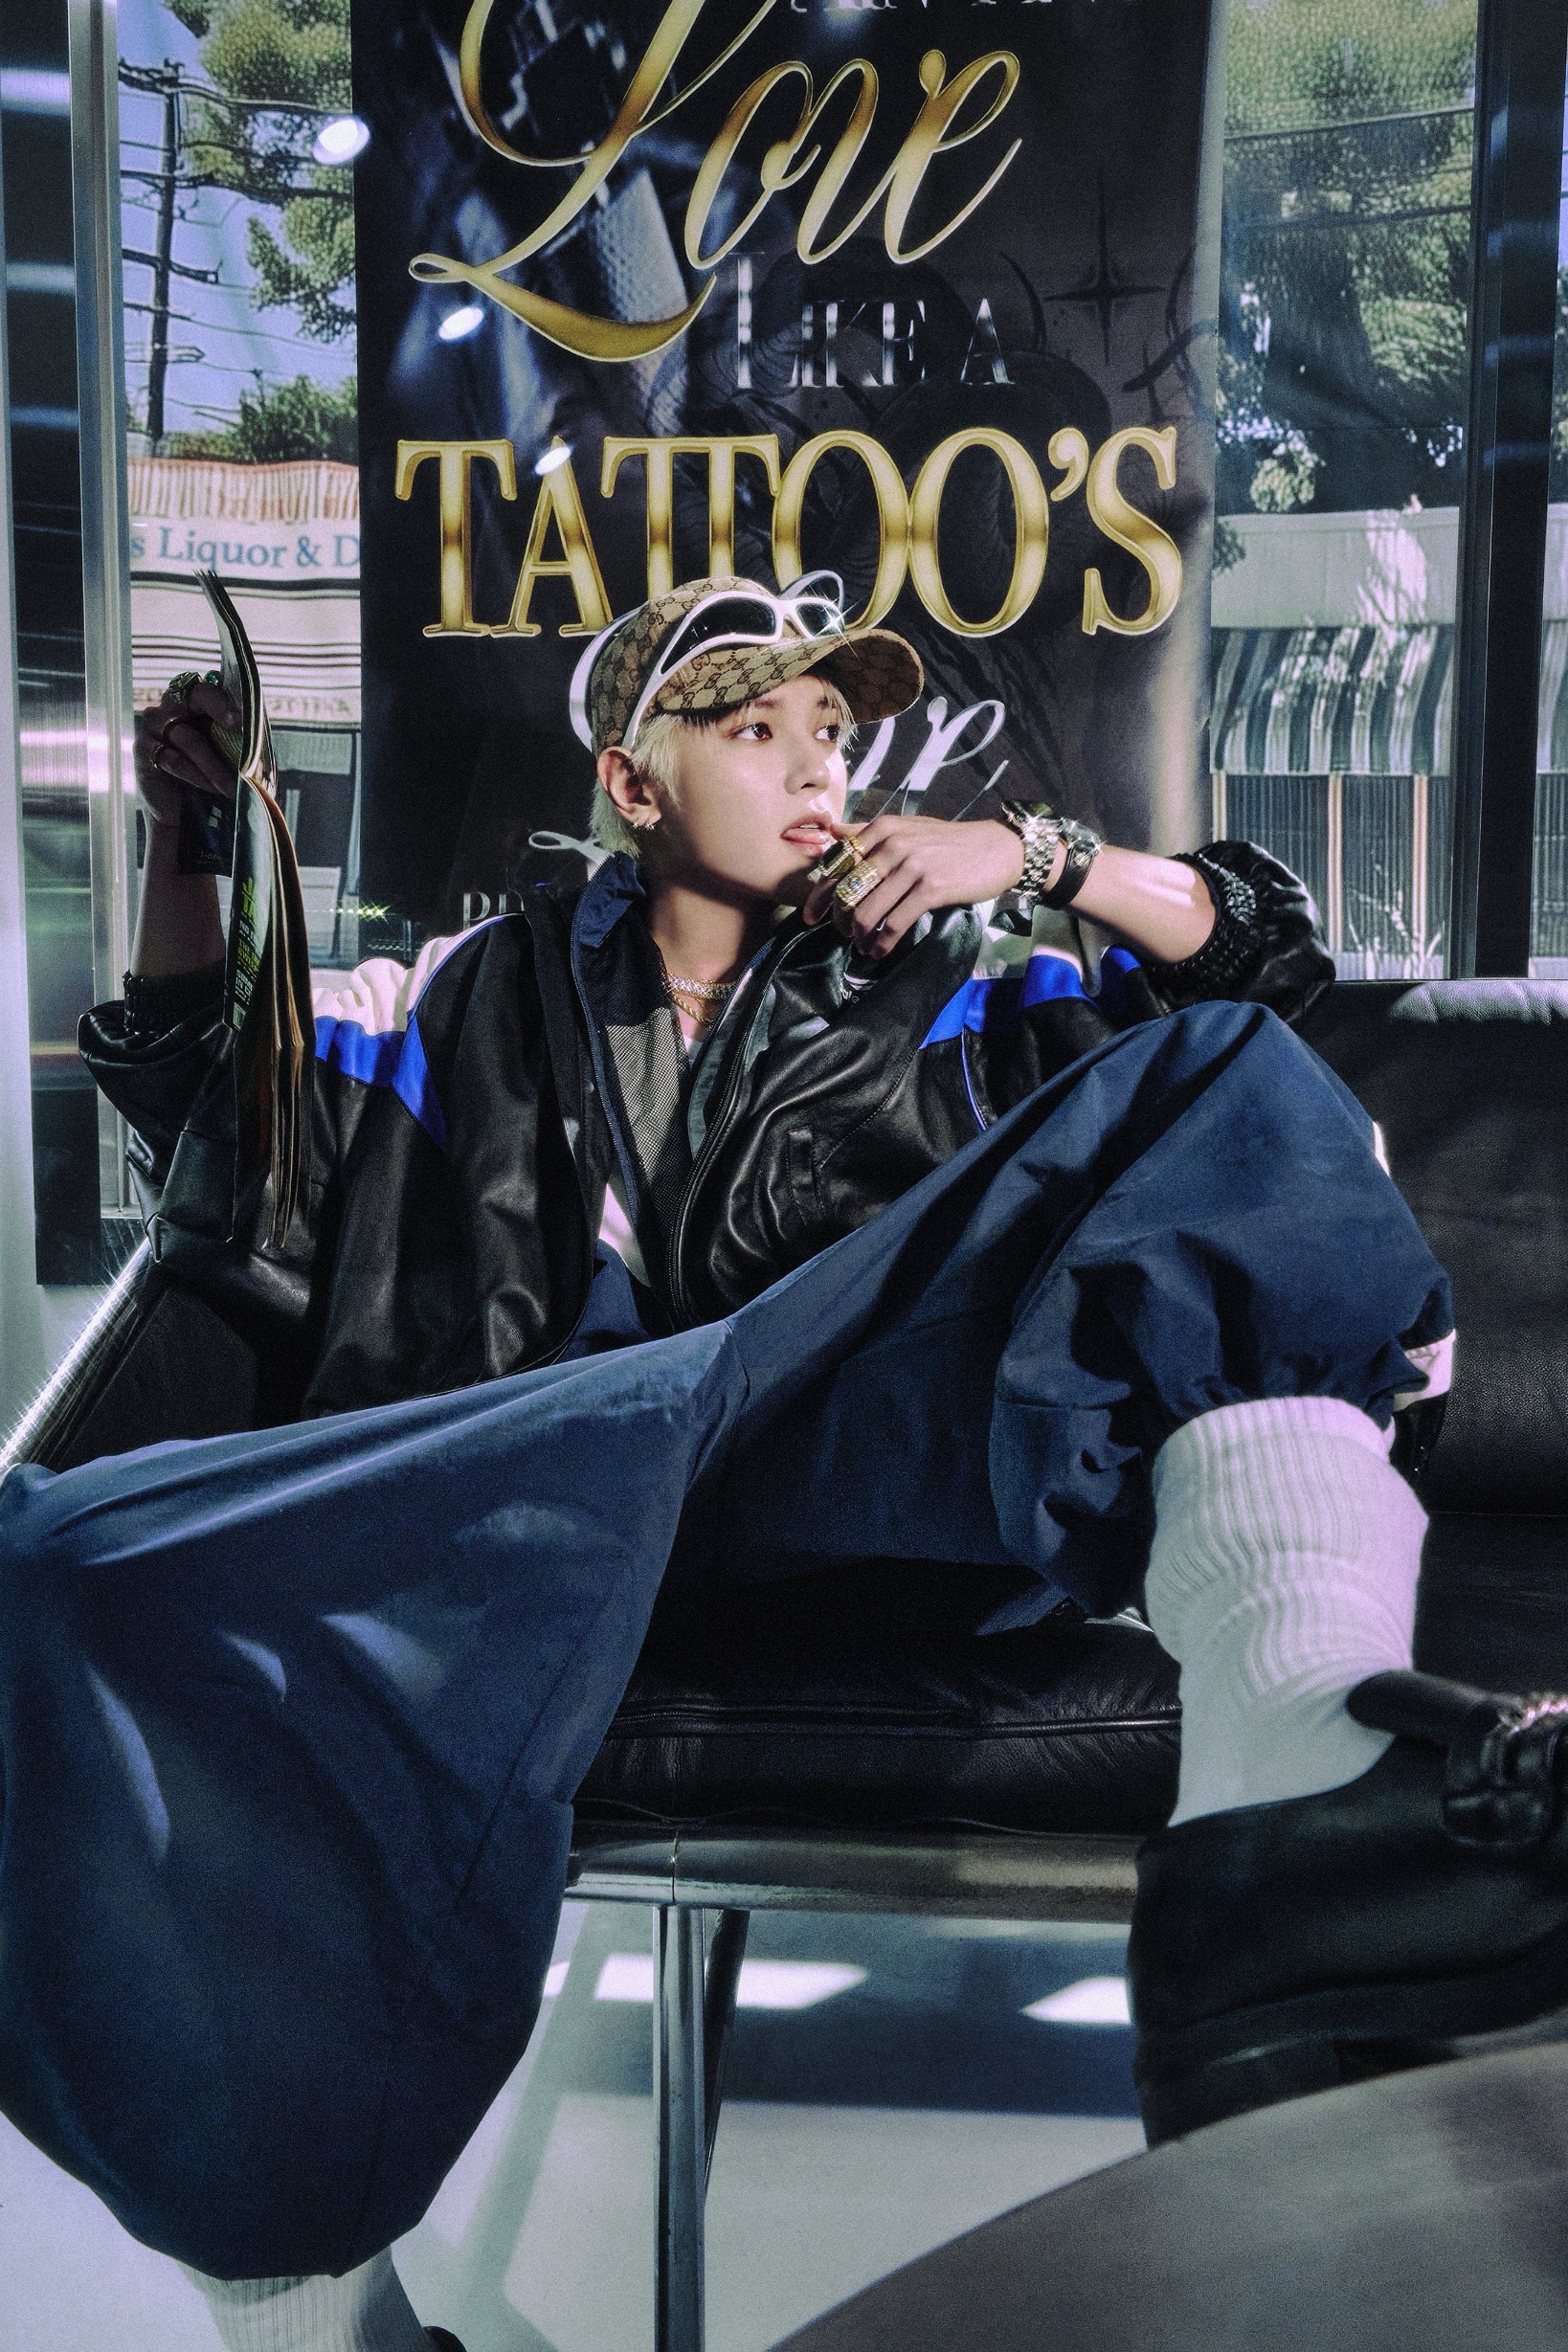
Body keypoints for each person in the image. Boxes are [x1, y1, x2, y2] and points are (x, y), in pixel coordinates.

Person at [2, 575, 1560, 2352]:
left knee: (1224, 1077)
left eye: (833, 729)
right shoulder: (456, 990)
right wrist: (193, 833)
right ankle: (317, 2322)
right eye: (755, 727)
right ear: (632, 782)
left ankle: (1303, 1824)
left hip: (833, 1469)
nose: (820, 766)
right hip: (543, 1491)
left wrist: (1033, 856)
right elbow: (209, 1103)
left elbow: (1255, 973)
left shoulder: (955, 978)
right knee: (54, 1559)